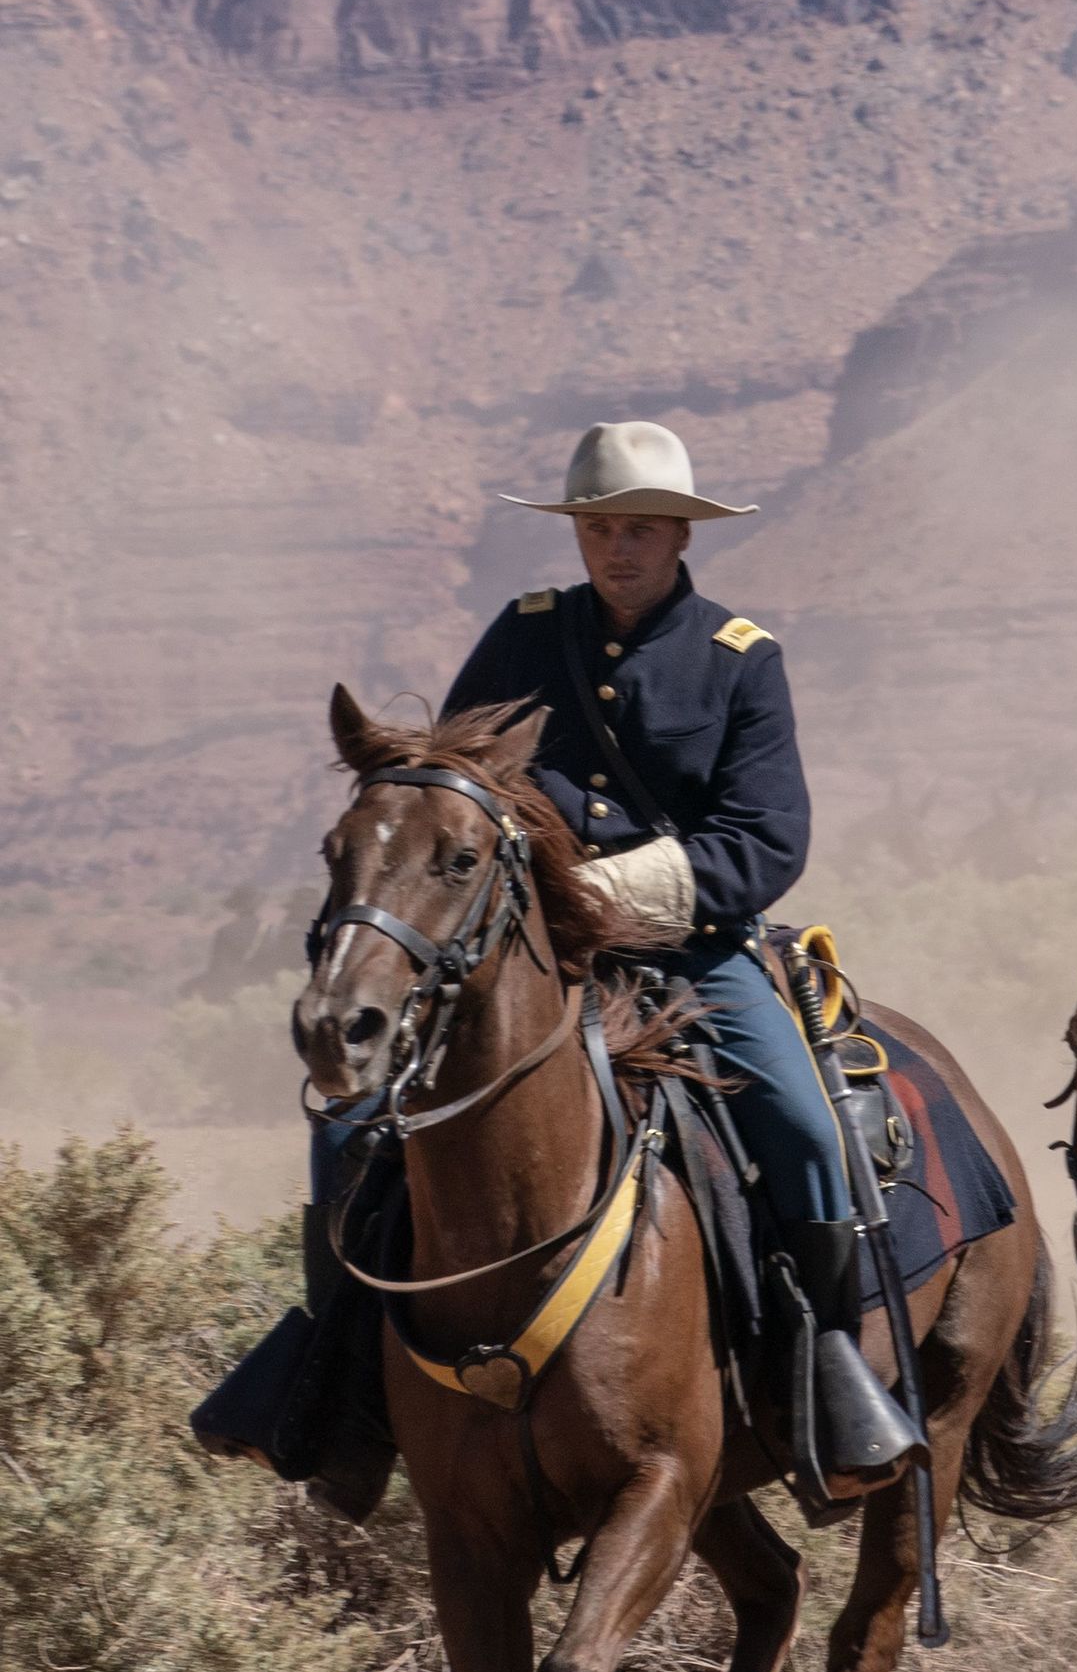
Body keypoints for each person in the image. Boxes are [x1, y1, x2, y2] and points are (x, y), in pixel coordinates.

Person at [196, 420, 920, 1508]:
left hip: (690, 954)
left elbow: (766, 842)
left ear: (681, 534)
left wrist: (603, 893)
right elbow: (453, 793)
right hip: (522, 956)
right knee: (349, 1119)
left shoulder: (741, 659)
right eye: (596, 528)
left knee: (808, 1129)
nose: (615, 548)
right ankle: (332, 1378)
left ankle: (814, 1374)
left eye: (636, 528)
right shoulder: (524, 636)